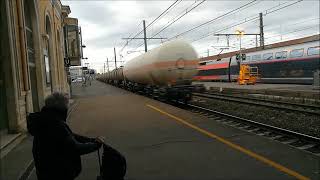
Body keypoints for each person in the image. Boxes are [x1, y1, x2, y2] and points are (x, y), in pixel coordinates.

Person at [27, 92, 104, 180]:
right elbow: (75, 148)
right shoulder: (55, 123)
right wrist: (95, 145)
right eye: (66, 105)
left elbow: (69, 136)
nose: (67, 107)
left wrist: (91, 140)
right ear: (61, 107)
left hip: (45, 171)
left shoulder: (46, 119)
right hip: (58, 173)